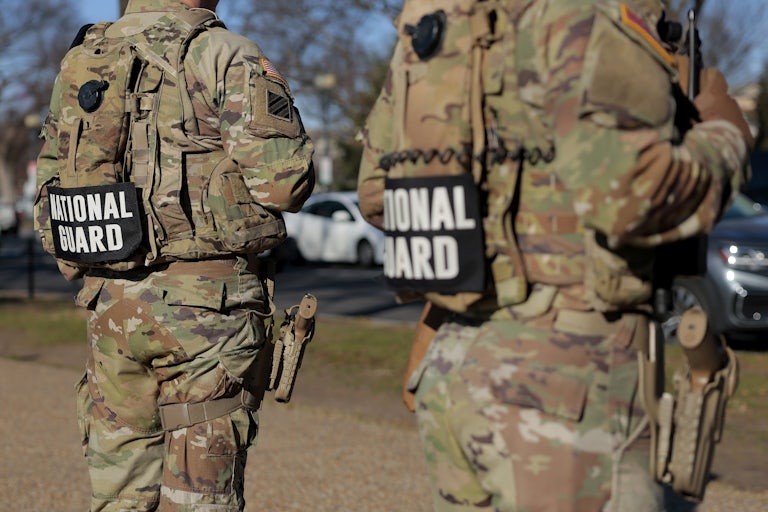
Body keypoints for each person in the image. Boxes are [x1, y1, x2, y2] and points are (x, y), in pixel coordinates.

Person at [357, 0, 752, 510]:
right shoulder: (587, 12)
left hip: (454, 370)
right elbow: (631, 196)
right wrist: (724, 133)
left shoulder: (436, 28)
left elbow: (375, 191)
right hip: (565, 381)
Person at [34, 0, 315, 510]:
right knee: (200, 500)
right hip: (207, 310)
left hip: (111, 308)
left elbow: (50, 191)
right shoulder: (223, 52)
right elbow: (283, 184)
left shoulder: (84, 60)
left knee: (118, 500)